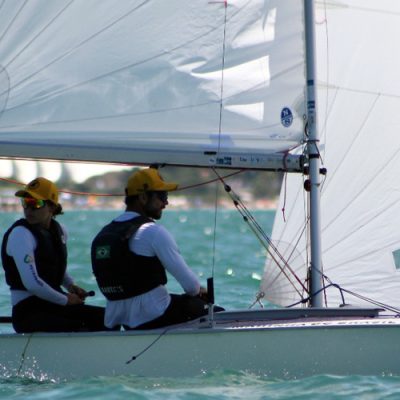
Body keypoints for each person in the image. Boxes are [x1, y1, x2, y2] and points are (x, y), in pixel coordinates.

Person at [91, 167, 223, 330]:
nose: (166, 203)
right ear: (143, 197)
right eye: (162, 196)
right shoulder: (152, 232)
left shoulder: (103, 234)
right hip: (154, 315)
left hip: (118, 319)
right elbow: (191, 287)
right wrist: (199, 292)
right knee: (218, 314)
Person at [1, 177, 106, 333]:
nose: (28, 210)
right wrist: (66, 299)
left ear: (51, 206)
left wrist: (70, 285)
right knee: (86, 325)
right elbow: (32, 284)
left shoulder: (59, 230)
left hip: (51, 305)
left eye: (35, 204)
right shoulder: (20, 234)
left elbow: (53, 266)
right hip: (28, 312)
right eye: (25, 203)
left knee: (107, 318)